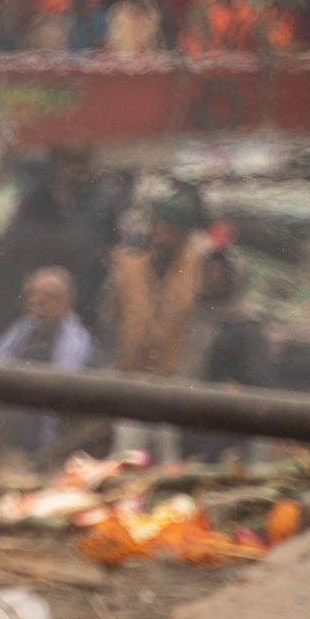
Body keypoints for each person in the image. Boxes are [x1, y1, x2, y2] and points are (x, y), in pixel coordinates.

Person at [104, 191, 209, 463]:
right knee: (126, 450)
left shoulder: (198, 267)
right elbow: (112, 316)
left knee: (168, 452)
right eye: (157, 230)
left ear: (184, 235)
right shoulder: (131, 267)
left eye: (169, 232)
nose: (161, 238)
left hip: (175, 376)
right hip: (132, 372)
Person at [0, 268, 96, 467]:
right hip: (9, 449)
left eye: (50, 297)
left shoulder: (85, 352)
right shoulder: (14, 339)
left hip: (58, 448)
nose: (39, 302)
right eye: (34, 294)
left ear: (66, 305)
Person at [179, 248, 275, 461]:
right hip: (192, 419)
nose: (212, 279)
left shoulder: (245, 325)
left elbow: (255, 381)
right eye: (207, 272)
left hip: (226, 426)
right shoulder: (196, 315)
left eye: (220, 273)